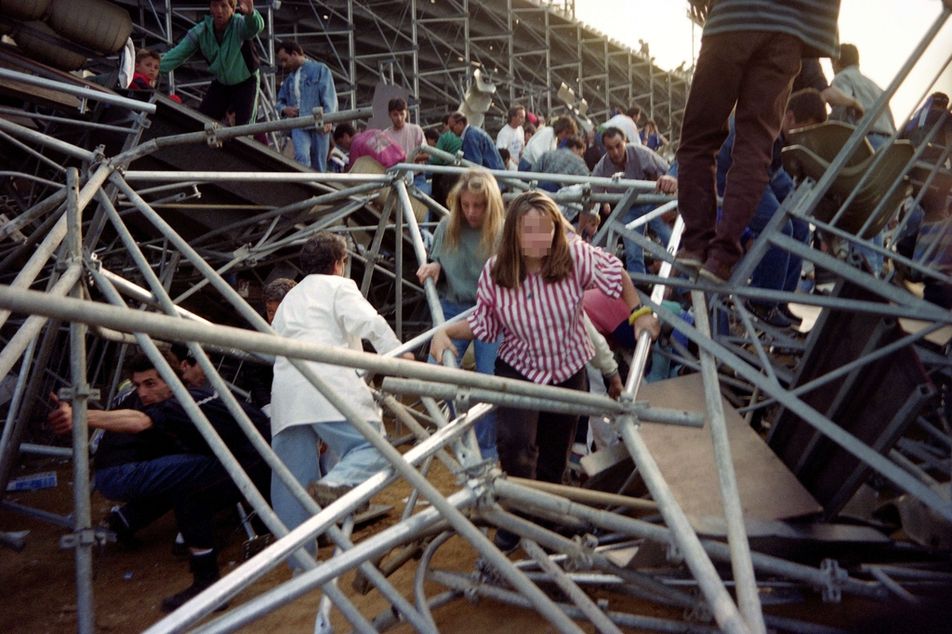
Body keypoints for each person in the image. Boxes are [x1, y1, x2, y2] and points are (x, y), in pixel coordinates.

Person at [430, 191, 660, 552]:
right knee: (516, 445)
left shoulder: (572, 255)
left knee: (556, 452)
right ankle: (519, 515)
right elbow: (483, 323)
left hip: (567, 369)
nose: (540, 241)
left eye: (547, 231)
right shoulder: (496, 271)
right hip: (519, 368)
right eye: (529, 232)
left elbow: (617, 275)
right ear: (513, 233)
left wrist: (639, 313)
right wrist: (443, 331)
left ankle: (548, 519)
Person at [48, 351, 270, 612]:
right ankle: (205, 580)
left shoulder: (180, 403)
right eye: (138, 385)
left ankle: (206, 579)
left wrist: (80, 417)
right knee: (187, 487)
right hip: (256, 458)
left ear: (171, 379)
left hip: (259, 459)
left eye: (150, 384)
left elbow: (140, 422)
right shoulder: (185, 399)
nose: (142, 393)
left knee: (188, 486)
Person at [270, 232, 413, 560]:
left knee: (291, 485)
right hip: (328, 384)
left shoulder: (290, 299)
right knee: (374, 449)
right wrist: (398, 354)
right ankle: (336, 484)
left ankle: (299, 564)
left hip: (288, 395)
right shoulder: (339, 286)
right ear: (339, 263)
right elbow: (369, 322)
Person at [677, 0, 841, 284]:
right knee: (754, 147)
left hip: (734, 15)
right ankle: (721, 257)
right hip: (789, 28)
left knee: (699, 139)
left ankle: (695, 246)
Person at [716, 88, 828, 327]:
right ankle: (761, 301)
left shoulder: (780, 133)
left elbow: (776, 172)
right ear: (790, 117)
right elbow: (746, 170)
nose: (804, 135)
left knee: (799, 225)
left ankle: (780, 299)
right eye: (804, 127)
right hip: (738, 175)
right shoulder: (763, 123)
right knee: (780, 229)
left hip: (764, 171)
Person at [416, 169, 505, 458]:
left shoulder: (501, 231)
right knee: (439, 375)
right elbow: (438, 258)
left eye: (478, 205)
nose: (471, 212)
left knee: (487, 380)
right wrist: (436, 267)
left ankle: (486, 451)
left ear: (490, 204)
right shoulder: (447, 225)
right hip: (453, 306)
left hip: (489, 312)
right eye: (465, 204)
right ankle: (461, 432)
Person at [159, 0, 264, 126]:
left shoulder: (239, 24)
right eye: (215, 5)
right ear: (210, 8)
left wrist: (251, 14)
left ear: (233, 8)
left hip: (246, 82)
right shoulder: (201, 31)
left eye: (224, 6)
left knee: (245, 128)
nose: (219, 10)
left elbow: (255, 27)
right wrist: (155, 69)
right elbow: (177, 54)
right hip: (222, 82)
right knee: (202, 122)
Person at [592, 127, 678, 277]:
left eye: (618, 145)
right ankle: (639, 289)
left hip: (652, 202)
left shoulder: (640, 153)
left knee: (669, 239)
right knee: (633, 251)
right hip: (628, 208)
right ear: (605, 148)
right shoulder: (602, 167)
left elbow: (667, 169)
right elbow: (595, 193)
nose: (616, 152)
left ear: (625, 142)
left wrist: (665, 197)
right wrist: (599, 208)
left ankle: (682, 283)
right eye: (610, 148)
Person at [275, 41, 338, 171]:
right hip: (299, 122)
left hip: (319, 121)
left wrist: (329, 119)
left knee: (319, 163)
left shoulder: (320, 69)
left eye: (285, 60)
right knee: (301, 157)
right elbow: (279, 102)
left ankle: (315, 188)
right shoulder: (289, 80)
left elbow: (329, 96)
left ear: (294, 54)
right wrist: (285, 109)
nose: (284, 64)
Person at [384, 98, 426, 162]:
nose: (399, 118)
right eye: (395, 114)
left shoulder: (416, 130)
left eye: (402, 114)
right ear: (390, 115)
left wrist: (407, 159)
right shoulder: (385, 135)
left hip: (415, 171)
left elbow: (426, 153)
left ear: (406, 113)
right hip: (394, 171)